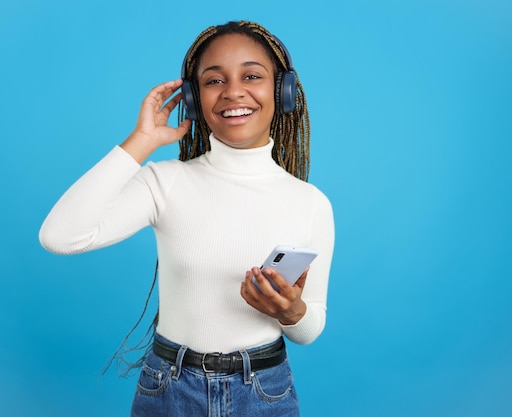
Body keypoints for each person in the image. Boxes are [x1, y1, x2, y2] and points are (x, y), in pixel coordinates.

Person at [39, 20, 334, 417]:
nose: (233, 91)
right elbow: (60, 235)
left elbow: (311, 326)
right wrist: (141, 141)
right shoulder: (166, 182)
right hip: (170, 390)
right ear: (193, 100)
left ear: (281, 90)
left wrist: (289, 312)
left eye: (251, 75)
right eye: (214, 81)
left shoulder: (311, 203)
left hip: (265, 392)